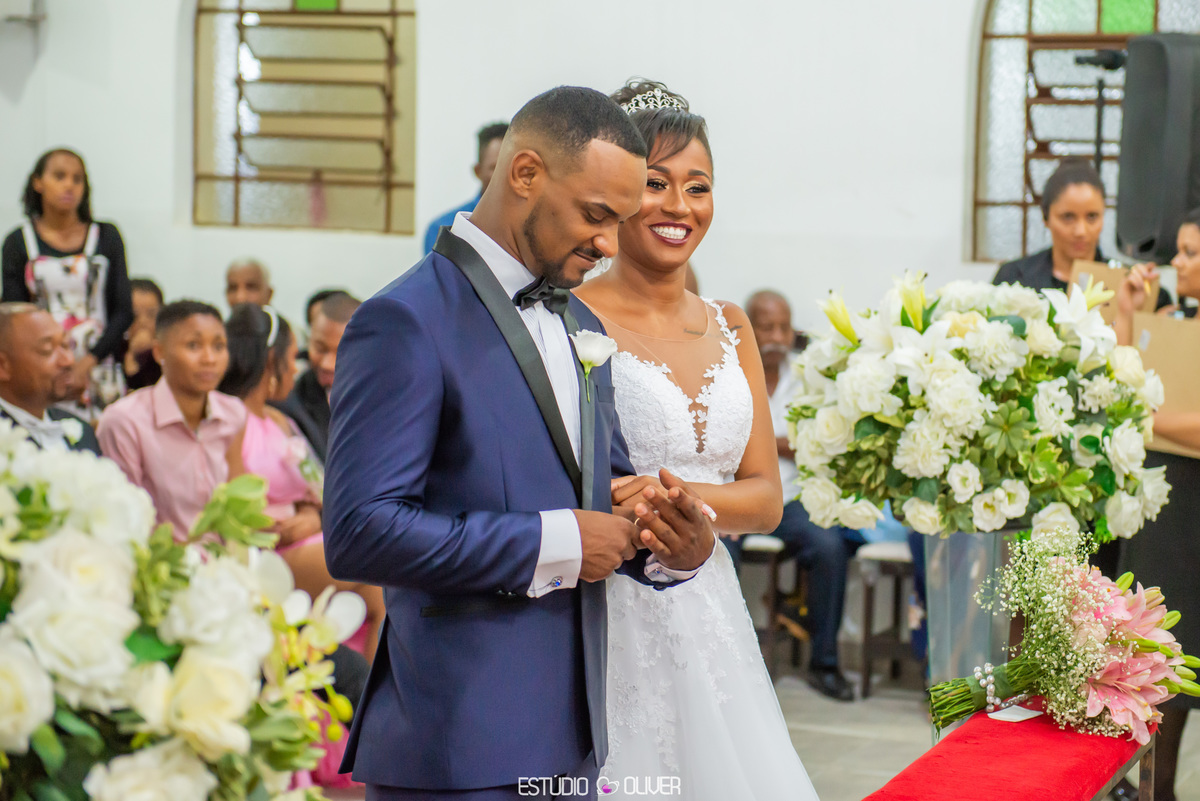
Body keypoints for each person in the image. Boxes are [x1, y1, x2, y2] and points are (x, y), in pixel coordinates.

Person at [323, 86, 714, 800]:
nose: (608, 244)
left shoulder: (579, 322)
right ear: (526, 173)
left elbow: (607, 498)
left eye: (618, 221)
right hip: (459, 743)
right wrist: (557, 541)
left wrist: (668, 545)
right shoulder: (405, 320)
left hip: (574, 738)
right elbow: (360, 532)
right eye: (595, 215)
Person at [573, 80, 818, 798]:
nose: (679, 206)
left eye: (698, 186)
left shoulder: (731, 323)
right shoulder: (570, 318)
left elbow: (765, 499)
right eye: (656, 183)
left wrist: (670, 500)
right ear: (619, 190)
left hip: (709, 600)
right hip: (608, 605)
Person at [220, 302, 384, 663]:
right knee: (379, 569)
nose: (297, 368)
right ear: (271, 362)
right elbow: (231, 505)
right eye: (293, 357)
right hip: (267, 549)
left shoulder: (279, 421)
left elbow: (317, 487)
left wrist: (311, 516)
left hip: (305, 534)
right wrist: (284, 525)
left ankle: (368, 685)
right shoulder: (230, 421)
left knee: (384, 586)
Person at [1110, 208, 1200, 801]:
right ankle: (1150, 789)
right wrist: (1127, 316)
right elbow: (1124, 387)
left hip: (1196, 517)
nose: (1177, 263)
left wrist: (1148, 419)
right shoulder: (1171, 322)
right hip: (1162, 513)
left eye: (1190, 253)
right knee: (1153, 667)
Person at [740, 288, 860, 701]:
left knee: (829, 547)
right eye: (766, 327)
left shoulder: (810, 377)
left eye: (784, 327)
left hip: (792, 499)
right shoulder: (728, 370)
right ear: (748, 328)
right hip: (739, 495)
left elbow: (822, 440)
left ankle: (824, 664)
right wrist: (784, 442)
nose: (777, 336)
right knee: (714, 550)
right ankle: (732, 667)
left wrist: (760, 442)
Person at [98, 300, 246, 538]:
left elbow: (238, 499)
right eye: (194, 346)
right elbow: (123, 518)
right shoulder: (125, 421)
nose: (210, 358)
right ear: (159, 352)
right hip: (157, 556)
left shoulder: (232, 413)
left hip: (221, 554)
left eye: (219, 346)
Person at [1, 148, 133, 415]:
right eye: (59, 176)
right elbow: (14, 317)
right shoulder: (18, 241)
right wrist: (51, 366)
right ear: (38, 182)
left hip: (97, 366)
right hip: (41, 370)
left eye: (77, 179)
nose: (69, 185)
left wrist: (87, 363)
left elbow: (123, 311)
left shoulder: (106, 236)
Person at [0, 303, 99, 453]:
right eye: (47, 350)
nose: (68, 360)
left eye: (65, 345)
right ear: (2, 365)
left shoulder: (83, 431)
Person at [279, 291, 359, 461]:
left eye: (341, 352)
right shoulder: (290, 404)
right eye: (320, 349)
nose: (327, 364)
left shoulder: (389, 396)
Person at [422, 122, 509, 253]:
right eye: (495, 167)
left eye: (511, 166)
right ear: (478, 171)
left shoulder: (533, 228)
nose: (505, 175)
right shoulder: (445, 230)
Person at [121, 278, 163, 391]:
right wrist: (132, 354)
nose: (142, 322)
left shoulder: (166, 353)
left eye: (151, 314)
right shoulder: (116, 349)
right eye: (134, 315)